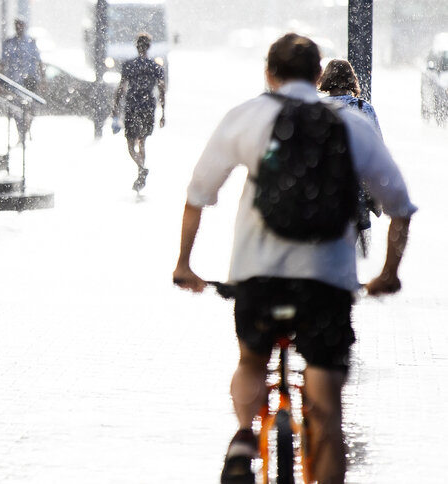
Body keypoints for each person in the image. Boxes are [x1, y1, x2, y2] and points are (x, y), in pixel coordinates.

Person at [172, 34, 416, 483]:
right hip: (326, 281)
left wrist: (184, 264)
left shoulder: (247, 117)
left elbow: (197, 196)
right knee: (326, 406)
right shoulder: (352, 123)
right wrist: (387, 274)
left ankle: (244, 436)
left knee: (251, 360)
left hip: (257, 276)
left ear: (269, 73)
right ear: (318, 75)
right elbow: (399, 208)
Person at [319, 58, 383, 251]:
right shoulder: (365, 109)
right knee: (358, 253)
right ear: (352, 80)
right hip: (357, 194)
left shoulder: (315, 110)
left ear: (325, 80)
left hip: (322, 192)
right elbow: (378, 154)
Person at [111, 32, 166, 192]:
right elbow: (161, 90)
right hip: (148, 105)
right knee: (142, 141)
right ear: (149, 47)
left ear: (137, 47)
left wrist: (115, 106)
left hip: (133, 105)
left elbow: (121, 88)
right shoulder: (155, 67)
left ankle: (140, 167)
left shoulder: (129, 65)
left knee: (130, 143)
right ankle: (140, 170)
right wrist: (163, 112)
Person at [0, 17, 44, 139]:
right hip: (14, 81)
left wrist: (42, 80)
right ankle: (22, 132)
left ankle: (26, 129)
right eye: (17, 25)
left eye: (21, 25)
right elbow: (3, 63)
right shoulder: (9, 43)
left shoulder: (31, 42)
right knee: (17, 108)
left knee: (31, 107)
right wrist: (1, 82)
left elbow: (39, 62)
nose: (19, 28)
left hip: (30, 79)